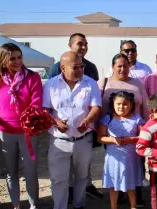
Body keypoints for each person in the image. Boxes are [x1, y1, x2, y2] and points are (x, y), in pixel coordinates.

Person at [43, 51, 102, 209]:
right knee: (59, 179)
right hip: (58, 141)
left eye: (81, 66)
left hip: (83, 140)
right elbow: (44, 110)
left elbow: (96, 107)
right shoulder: (51, 84)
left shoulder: (90, 83)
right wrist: (55, 122)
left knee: (82, 177)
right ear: (62, 68)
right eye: (75, 67)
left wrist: (88, 120)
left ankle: (79, 205)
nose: (80, 69)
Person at [0, 43, 42, 209]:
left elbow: (36, 103)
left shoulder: (32, 77)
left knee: (30, 170)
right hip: (5, 132)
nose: (17, 61)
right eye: (12, 58)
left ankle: (33, 204)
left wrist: (29, 118)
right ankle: (16, 205)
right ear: (3, 60)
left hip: (28, 132)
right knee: (11, 172)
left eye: (19, 57)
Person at [98, 53, 149, 207]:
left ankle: (135, 199)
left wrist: (146, 130)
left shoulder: (138, 83)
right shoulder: (104, 83)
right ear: (113, 67)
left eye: (125, 65)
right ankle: (118, 199)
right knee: (116, 168)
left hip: (133, 130)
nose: (122, 69)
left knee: (135, 166)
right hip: (112, 131)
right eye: (119, 66)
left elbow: (145, 107)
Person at [98, 91, 144, 209]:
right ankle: (114, 207)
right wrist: (113, 140)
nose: (121, 107)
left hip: (131, 158)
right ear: (113, 104)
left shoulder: (136, 118)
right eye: (118, 104)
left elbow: (144, 136)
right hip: (114, 159)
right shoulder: (107, 118)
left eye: (125, 104)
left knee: (131, 185)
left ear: (131, 105)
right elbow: (100, 137)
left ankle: (133, 206)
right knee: (113, 186)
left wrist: (130, 139)